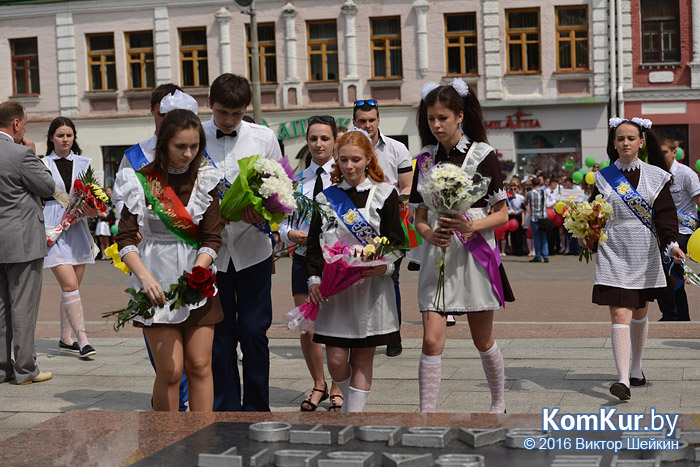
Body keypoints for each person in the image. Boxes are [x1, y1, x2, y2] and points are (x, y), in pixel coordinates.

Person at [410, 79, 515, 413]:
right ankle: (427, 413)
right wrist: (428, 234)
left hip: (474, 254)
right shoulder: (425, 159)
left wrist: (471, 225)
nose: (436, 125)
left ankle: (498, 401)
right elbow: (419, 217)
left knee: (482, 340)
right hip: (436, 254)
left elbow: (502, 214)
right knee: (430, 340)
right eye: (430, 119)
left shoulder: (483, 155)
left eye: (442, 118)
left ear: (459, 116)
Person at [115, 109, 224, 411]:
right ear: (164, 144)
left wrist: (197, 273)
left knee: (200, 365)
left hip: (198, 279)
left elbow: (212, 238)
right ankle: (167, 443)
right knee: (171, 371)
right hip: (155, 279)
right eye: (180, 147)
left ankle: (204, 440)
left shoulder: (207, 181)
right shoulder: (142, 182)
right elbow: (125, 237)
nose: (188, 154)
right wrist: (145, 279)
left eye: (194, 147)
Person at [306, 129, 404, 412]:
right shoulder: (327, 199)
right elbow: (314, 244)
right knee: (336, 360)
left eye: (356, 160)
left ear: (368, 159)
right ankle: (351, 406)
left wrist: (383, 266)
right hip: (336, 292)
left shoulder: (384, 194)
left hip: (372, 290)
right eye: (344, 160)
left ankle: (353, 417)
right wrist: (313, 279)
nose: (349, 166)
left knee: (362, 359)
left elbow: (397, 241)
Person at [205, 73, 283, 412]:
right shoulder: (194, 137)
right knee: (219, 336)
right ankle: (225, 411)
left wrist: (265, 211)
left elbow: (282, 189)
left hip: (253, 248)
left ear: (246, 109)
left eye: (236, 114)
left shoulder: (263, 137)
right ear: (209, 105)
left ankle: (256, 410)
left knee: (253, 331)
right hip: (210, 252)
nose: (228, 120)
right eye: (222, 112)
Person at [591, 117, 683, 401]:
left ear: (641, 142)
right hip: (613, 249)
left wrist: (672, 245)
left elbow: (666, 215)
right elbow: (594, 214)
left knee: (640, 310)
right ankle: (622, 381)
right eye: (620, 139)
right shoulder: (604, 177)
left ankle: (636, 367)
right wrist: (587, 233)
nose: (625, 143)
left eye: (631, 138)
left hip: (644, 251)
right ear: (614, 144)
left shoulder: (656, 176)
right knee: (620, 311)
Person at [278, 115, 343, 412]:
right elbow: (281, 221)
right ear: (307, 141)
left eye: (324, 138)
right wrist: (289, 233)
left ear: (335, 141)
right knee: (307, 327)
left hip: (336, 262)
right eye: (313, 138)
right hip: (303, 259)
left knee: (339, 326)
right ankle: (319, 383)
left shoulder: (346, 174)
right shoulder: (297, 181)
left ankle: (339, 385)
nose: (318, 144)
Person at [0, 101, 56, 385]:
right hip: (22, 240)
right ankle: (25, 369)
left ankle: (1, 368)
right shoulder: (21, 153)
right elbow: (47, 187)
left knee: (0, 308)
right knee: (23, 305)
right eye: (26, 122)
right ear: (16, 124)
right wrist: (33, 154)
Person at [353, 100, 412, 357]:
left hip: (389, 224)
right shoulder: (347, 148)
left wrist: (398, 204)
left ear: (379, 120)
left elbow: (407, 186)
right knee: (356, 280)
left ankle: (393, 335)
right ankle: (359, 332)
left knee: (390, 278)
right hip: (354, 224)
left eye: (372, 120)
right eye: (362, 121)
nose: (368, 125)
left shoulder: (397, 148)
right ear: (354, 122)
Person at [42, 117, 98, 359]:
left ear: (74, 137)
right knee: (69, 286)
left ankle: (66, 339)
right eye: (60, 135)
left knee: (72, 288)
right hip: (53, 227)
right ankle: (83, 340)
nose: (65, 139)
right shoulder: (42, 163)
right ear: (51, 138)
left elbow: (94, 198)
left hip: (77, 227)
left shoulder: (84, 163)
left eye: (69, 135)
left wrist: (93, 209)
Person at [112, 83, 185, 215]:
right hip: (146, 232)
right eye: (162, 115)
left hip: (187, 231)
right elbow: (120, 197)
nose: (167, 121)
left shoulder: (195, 151)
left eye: (172, 115)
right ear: (151, 109)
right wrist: (131, 227)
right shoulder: (135, 155)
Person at [656, 137, 700, 321]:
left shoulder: (686, 174)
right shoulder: (655, 173)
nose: (661, 155)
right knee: (659, 275)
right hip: (662, 232)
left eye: (665, 151)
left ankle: (677, 316)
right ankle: (671, 314)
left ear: (674, 152)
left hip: (683, 232)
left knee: (673, 275)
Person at [525, 177, 550, 263]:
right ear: (539, 184)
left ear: (532, 184)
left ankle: (538, 256)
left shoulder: (530, 193)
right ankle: (546, 256)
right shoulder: (544, 192)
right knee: (544, 237)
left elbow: (525, 203)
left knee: (536, 238)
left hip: (534, 217)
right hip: (543, 217)